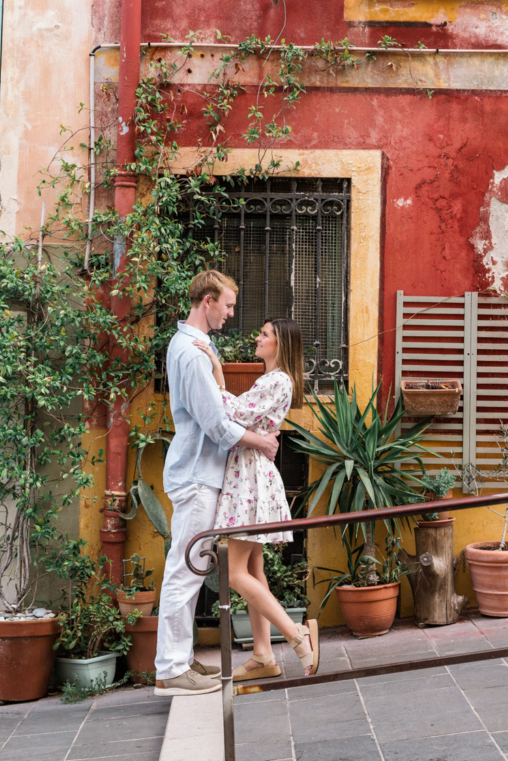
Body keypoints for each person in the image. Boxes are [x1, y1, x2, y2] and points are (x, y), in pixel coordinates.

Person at [154, 270, 281, 697]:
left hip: (203, 474)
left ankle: (181, 660)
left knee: (193, 568)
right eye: (226, 305)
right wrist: (261, 440)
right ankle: (172, 668)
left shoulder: (199, 347)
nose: (230, 313)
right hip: (196, 475)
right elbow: (215, 424)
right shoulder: (191, 353)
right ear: (206, 301)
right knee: (185, 569)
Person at [194, 317, 319, 680]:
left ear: (280, 344)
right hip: (249, 475)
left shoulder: (278, 380)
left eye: (265, 334)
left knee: (233, 574)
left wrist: (215, 372)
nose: (258, 338)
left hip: (248, 478)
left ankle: (297, 636)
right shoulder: (272, 380)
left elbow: (232, 413)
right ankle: (263, 655)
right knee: (252, 571)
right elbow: (242, 414)